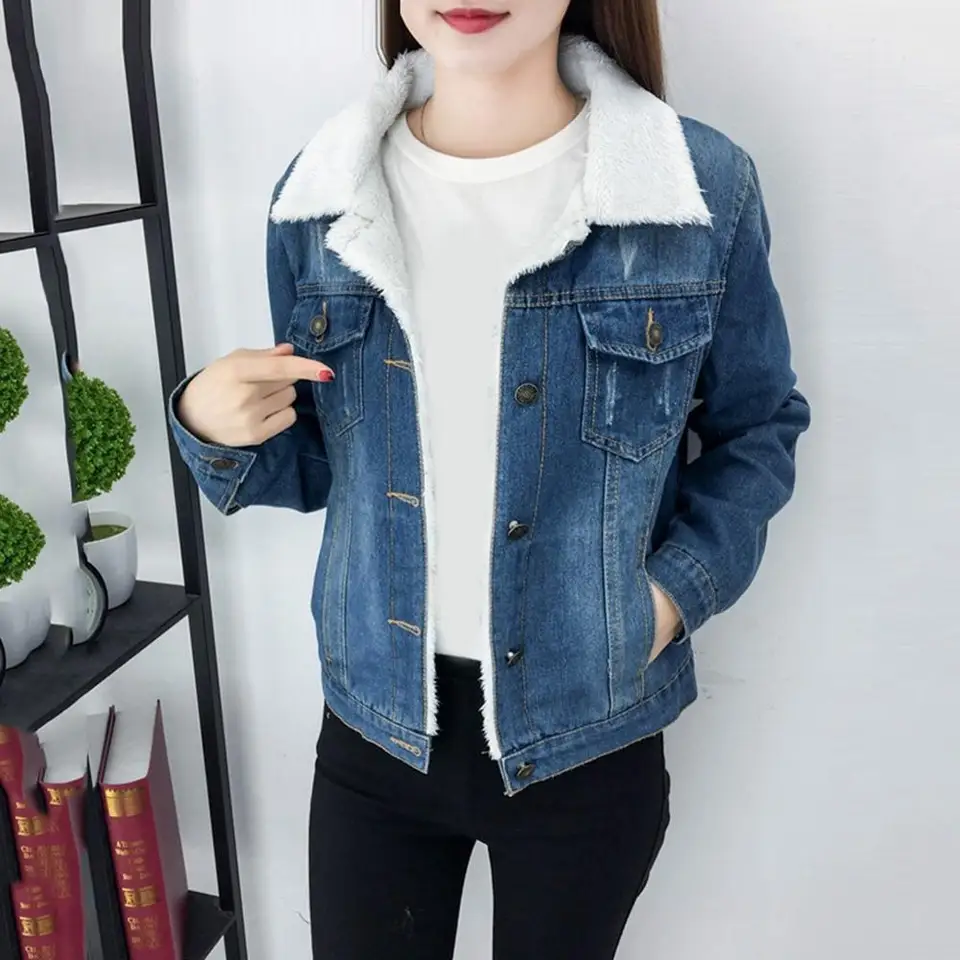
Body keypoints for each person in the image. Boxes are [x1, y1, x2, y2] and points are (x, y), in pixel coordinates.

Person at [168, 1, 811, 957]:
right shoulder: (321, 195)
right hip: (375, 728)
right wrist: (207, 425)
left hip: (590, 731)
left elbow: (757, 426)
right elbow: (324, 464)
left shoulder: (696, 186)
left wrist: (670, 600)